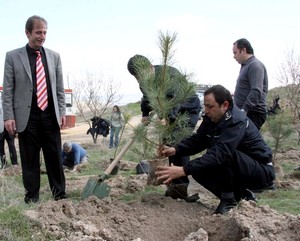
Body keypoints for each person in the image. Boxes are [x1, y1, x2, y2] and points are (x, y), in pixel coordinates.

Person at [156, 85, 275, 215]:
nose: (206, 111)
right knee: (199, 170)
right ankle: (243, 196)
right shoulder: (212, 118)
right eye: (205, 106)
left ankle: (228, 201)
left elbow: (220, 154)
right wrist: (175, 150)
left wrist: (182, 170)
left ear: (224, 105)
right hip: (240, 166)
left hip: (261, 171)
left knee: (223, 154)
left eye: (210, 106)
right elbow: (199, 140)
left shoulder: (236, 121)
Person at [2, 15, 67, 203]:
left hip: (50, 115)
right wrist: (8, 116)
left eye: (45, 32)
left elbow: (59, 88)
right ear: (27, 33)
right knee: (29, 160)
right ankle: (32, 197)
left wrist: (62, 111)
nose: (42, 36)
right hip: (26, 117)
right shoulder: (13, 57)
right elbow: (8, 90)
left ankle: (60, 194)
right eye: (38, 32)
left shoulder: (54, 57)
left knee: (54, 156)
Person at [127, 54, 201, 200]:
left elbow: (176, 100)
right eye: (137, 77)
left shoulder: (170, 75)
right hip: (168, 114)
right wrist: (145, 114)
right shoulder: (144, 81)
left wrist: (167, 120)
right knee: (167, 149)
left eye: (142, 75)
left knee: (179, 146)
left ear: (150, 67)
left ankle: (181, 188)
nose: (140, 80)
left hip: (186, 110)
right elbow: (147, 98)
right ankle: (172, 186)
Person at [233, 38, 268, 130]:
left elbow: (256, 91)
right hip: (246, 112)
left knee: (245, 143)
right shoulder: (246, 66)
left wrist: (244, 110)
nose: (234, 56)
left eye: (235, 52)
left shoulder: (255, 65)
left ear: (243, 50)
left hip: (252, 113)